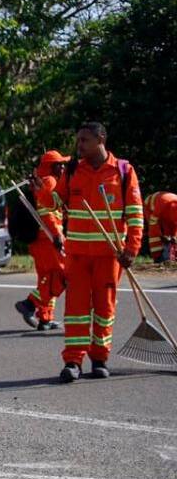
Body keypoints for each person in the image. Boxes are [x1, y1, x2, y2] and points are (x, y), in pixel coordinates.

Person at [55, 123, 142, 382]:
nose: (79, 145)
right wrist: (41, 191)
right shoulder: (72, 170)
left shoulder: (123, 171)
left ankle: (100, 358)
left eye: (84, 140)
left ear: (101, 139)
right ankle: (73, 361)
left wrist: (132, 249)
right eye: (78, 140)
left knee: (104, 308)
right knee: (76, 309)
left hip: (109, 255)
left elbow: (136, 214)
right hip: (78, 255)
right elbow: (56, 200)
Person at [15, 151, 68, 330]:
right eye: (59, 164)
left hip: (40, 239)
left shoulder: (42, 181)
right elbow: (47, 212)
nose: (62, 167)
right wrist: (57, 235)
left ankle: (45, 318)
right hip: (48, 238)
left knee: (47, 278)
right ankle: (30, 303)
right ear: (51, 167)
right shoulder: (50, 181)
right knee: (63, 275)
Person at [144, 191, 177, 263]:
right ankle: (157, 257)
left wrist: (174, 237)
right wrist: (161, 235)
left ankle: (172, 256)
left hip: (166, 210)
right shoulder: (162, 205)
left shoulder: (173, 210)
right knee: (154, 236)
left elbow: (175, 225)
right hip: (149, 207)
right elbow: (153, 223)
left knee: (170, 237)